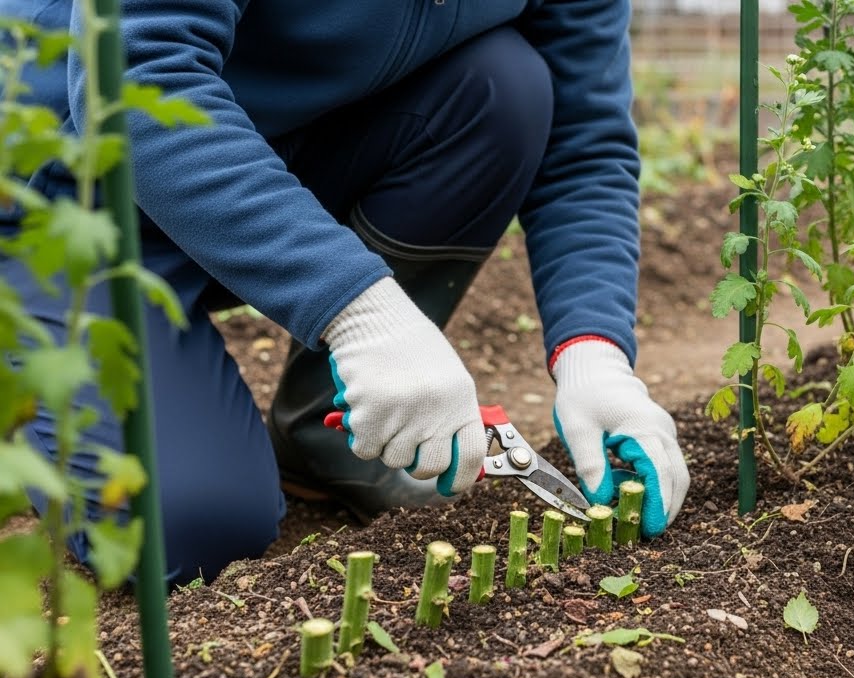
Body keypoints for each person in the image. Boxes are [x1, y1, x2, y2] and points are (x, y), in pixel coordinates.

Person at [0, 0, 691, 586]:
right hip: (59, 191)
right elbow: (136, 73)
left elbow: (585, 139)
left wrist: (593, 353)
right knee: (191, 526)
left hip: (264, 160)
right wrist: (361, 310)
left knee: (503, 85)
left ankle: (331, 435)